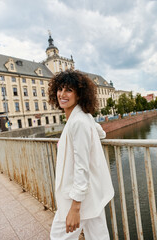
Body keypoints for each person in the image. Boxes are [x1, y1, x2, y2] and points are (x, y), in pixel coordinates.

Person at [48, 70, 114, 240]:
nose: (62, 94)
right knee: (99, 237)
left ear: (79, 94)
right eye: (60, 89)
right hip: (92, 194)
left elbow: (81, 166)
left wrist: (75, 208)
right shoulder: (83, 118)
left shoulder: (78, 122)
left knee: (58, 237)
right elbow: (101, 134)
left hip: (78, 198)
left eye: (69, 90)